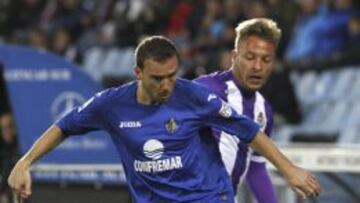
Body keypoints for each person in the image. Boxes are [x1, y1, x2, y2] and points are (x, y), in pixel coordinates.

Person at [8, 36, 320, 203]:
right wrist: (25, 162)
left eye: (172, 75)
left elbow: (249, 131)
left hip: (207, 197)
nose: (167, 85)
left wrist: (288, 169)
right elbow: (64, 126)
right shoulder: (111, 105)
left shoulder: (195, 97)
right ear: (138, 73)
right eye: (158, 78)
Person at [195, 18, 285, 203]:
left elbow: (255, 167)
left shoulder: (264, 110)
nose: (257, 66)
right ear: (234, 57)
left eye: (265, 59)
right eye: (250, 57)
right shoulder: (204, 89)